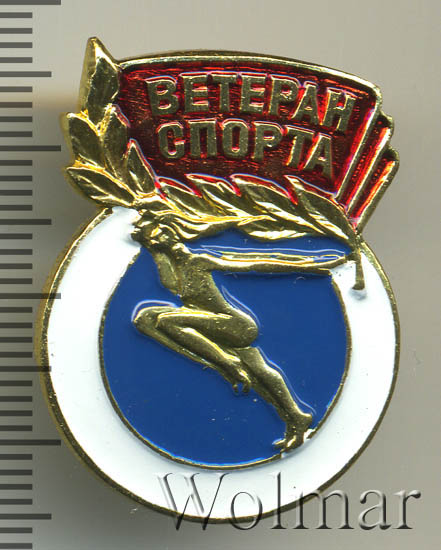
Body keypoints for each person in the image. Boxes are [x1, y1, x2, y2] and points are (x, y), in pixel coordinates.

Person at [131, 218, 346, 451]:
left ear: (173, 233)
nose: (159, 239)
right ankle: (296, 417)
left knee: (167, 320)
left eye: (162, 234)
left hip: (235, 325)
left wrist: (309, 266)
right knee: (259, 374)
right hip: (209, 327)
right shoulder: (171, 272)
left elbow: (255, 265)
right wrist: (154, 250)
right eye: (154, 239)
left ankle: (226, 362)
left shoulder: (199, 260)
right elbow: (173, 286)